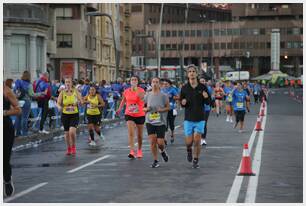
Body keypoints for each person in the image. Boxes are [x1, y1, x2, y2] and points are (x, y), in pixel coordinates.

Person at [180, 65, 211, 169]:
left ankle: (196, 159)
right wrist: (183, 103)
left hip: (200, 118)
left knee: (197, 140)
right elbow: (182, 102)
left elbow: (209, 102)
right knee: (189, 142)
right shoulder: (184, 88)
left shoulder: (203, 87)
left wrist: (206, 98)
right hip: (188, 118)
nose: (192, 73)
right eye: (190, 71)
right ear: (187, 74)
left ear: (196, 73)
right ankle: (189, 150)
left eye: (193, 71)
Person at [116, 76, 145, 159]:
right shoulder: (126, 91)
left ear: (137, 82)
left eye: (135, 80)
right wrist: (119, 109)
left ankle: (139, 150)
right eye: (132, 80)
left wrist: (140, 96)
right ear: (130, 82)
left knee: (139, 135)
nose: (134, 81)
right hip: (129, 114)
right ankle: (132, 151)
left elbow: (144, 100)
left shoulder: (141, 90)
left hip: (140, 114)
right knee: (131, 133)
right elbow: (123, 100)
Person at [144, 77, 170, 168]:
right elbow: (143, 107)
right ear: (151, 83)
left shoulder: (164, 95)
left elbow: (168, 107)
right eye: (153, 82)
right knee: (152, 142)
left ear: (159, 84)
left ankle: (162, 151)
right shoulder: (147, 95)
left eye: (156, 82)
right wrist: (146, 109)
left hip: (160, 121)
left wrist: (162, 109)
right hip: (149, 121)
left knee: (160, 143)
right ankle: (155, 160)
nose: (155, 83)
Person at [57, 77, 84, 155]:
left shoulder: (76, 91)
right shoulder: (62, 92)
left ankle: (73, 146)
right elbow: (58, 102)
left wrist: (79, 102)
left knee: (72, 132)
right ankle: (69, 148)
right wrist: (59, 107)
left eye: (69, 82)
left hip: (74, 114)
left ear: (71, 83)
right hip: (65, 114)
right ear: (64, 83)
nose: (68, 83)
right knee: (67, 133)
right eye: (66, 82)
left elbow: (81, 100)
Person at [4, 82, 22, 197]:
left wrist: (4, 112)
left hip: (5, 128)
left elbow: (18, 110)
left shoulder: (6, 91)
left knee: (4, 159)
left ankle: (7, 180)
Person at [14, 71, 43, 136]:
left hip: (18, 102)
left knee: (18, 117)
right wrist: (40, 94)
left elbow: (14, 91)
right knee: (24, 118)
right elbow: (31, 94)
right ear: (29, 76)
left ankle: (17, 132)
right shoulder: (29, 84)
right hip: (26, 102)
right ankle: (24, 133)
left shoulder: (18, 82)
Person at [161, 79, 179, 144]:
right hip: (164, 109)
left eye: (166, 84)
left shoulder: (172, 90)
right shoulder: (161, 90)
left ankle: (172, 134)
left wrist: (172, 97)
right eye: (163, 84)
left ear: (169, 84)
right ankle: (165, 138)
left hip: (171, 109)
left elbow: (178, 97)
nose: (165, 85)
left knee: (171, 123)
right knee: (165, 124)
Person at [199, 78, 213, 146]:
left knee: (204, 123)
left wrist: (213, 106)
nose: (202, 82)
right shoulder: (196, 88)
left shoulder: (208, 88)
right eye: (201, 81)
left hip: (206, 109)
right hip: (197, 109)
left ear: (205, 82)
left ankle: (203, 139)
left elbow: (211, 98)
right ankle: (197, 138)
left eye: (203, 81)